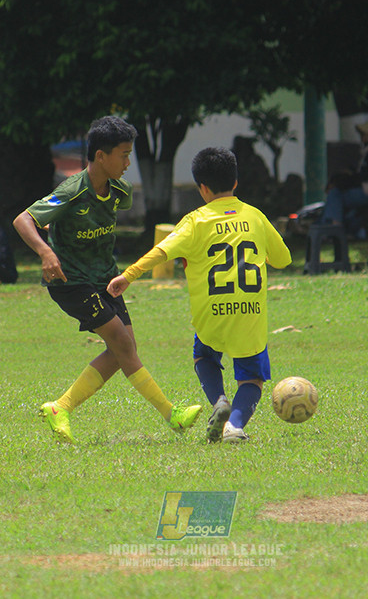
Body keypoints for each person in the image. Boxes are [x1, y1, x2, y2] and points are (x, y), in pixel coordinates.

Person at [13, 115, 202, 443]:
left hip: (105, 279)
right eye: (123, 155)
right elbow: (23, 220)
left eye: (130, 154)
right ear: (101, 155)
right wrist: (46, 254)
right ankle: (172, 415)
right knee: (123, 345)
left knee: (123, 350)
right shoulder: (71, 190)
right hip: (71, 282)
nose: (128, 163)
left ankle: (60, 407)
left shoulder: (119, 191)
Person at [107, 146, 292, 443]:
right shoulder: (255, 217)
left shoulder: (195, 220)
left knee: (203, 355)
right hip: (250, 316)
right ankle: (235, 425)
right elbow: (283, 259)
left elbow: (161, 251)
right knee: (251, 378)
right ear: (235, 182)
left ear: (202, 188)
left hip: (212, 315)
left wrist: (127, 276)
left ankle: (219, 399)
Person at [320, 119, 368, 238]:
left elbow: (365, 177)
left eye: (364, 135)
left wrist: (343, 182)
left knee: (335, 194)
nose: (361, 138)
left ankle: (333, 229)